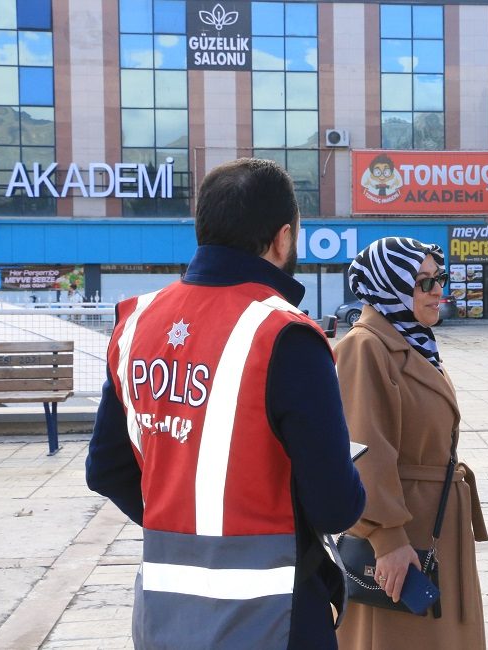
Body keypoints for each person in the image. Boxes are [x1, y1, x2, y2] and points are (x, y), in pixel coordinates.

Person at [86, 158, 365, 649]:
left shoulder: (135, 321)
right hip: (273, 616)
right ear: (283, 238)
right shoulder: (286, 334)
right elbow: (336, 505)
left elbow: (106, 468)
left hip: (165, 616)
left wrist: (183, 524)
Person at [336, 237, 488, 650]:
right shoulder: (366, 346)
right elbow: (363, 450)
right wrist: (387, 540)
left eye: (439, 278)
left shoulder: (415, 344)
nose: (438, 289)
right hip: (403, 536)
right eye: (423, 282)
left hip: (434, 525)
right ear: (389, 285)